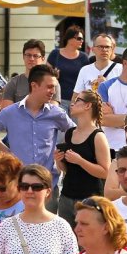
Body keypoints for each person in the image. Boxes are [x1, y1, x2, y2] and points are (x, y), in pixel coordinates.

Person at [0, 64, 74, 210]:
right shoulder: (10, 112)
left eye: (54, 87)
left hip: (47, 187)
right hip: (18, 186)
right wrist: (7, 152)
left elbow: (75, 134)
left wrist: (61, 154)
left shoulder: (57, 113)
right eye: (49, 87)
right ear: (34, 85)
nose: (53, 91)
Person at [54, 89, 109, 226]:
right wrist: (59, 160)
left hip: (89, 200)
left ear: (88, 106)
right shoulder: (70, 133)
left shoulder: (98, 136)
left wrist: (80, 161)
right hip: (67, 196)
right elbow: (68, 169)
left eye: (77, 100)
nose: (72, 104)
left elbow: (105, 172)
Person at [0, 40, 61, 110]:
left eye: (35, 56)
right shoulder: (13, 83)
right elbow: (7, 112)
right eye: (28, 55)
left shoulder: (52, 83)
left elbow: (53, 111)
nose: (31, 59)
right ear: (23, 57)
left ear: (43, 58)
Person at [47, 26, 87, 111]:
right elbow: (45, 75)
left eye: (82, 39)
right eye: (79, 38)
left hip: (77, 101)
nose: (82, 41)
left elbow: (87, 79)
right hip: (58, 99)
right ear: (69, 39)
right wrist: (54, 76)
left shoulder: (84, 57)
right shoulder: (55, 54)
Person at [72, 33, 121, 102]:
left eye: (107, 47)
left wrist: (105, 86)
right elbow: (76, 97)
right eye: (100, 46)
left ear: (112, 49)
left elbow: (125, 97)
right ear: (93, 49)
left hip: (111, 108)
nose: (104, 49)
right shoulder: (85, 70)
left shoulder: (121, 69)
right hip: (89, 108)